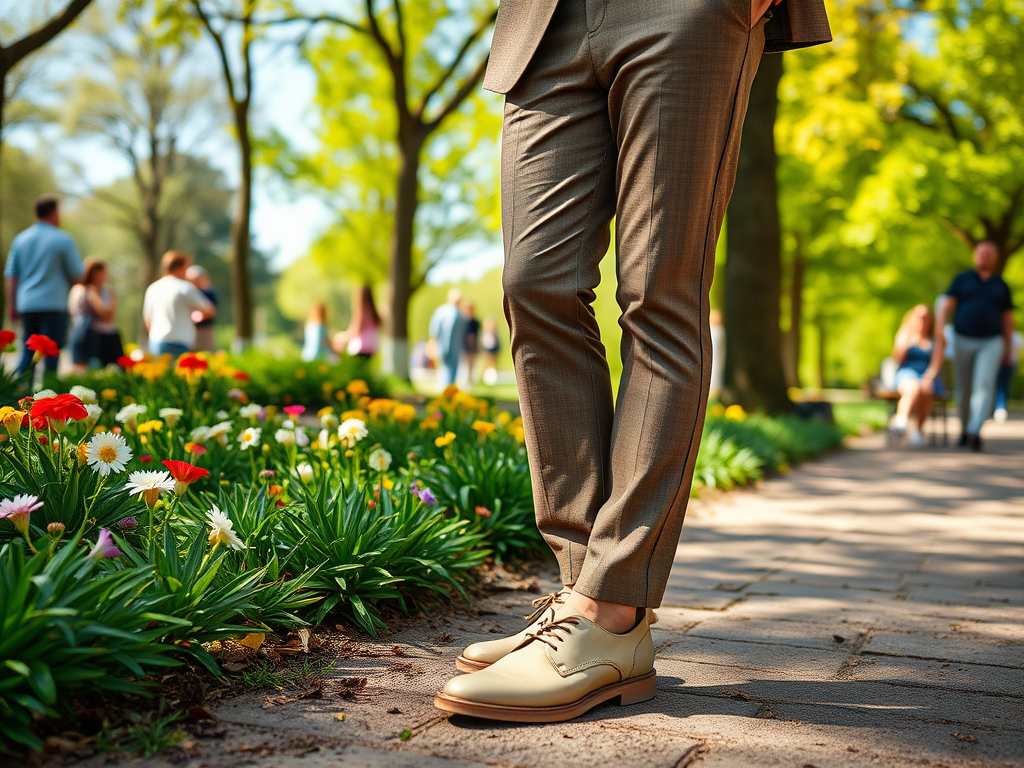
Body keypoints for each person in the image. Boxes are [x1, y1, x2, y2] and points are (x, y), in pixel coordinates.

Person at [433, 0, 831, 723]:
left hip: (686, 12)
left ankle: (609, 609)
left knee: (658, 293)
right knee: (535, 284)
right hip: (543, 21)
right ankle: (580, 589)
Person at [925, 241, 1015, 451]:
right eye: (981, 253)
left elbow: (1007, 318)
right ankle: (965, 428)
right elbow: (946, 303)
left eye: (988, 253)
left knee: (983, 385)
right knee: (963, 388)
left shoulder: (1000, 285)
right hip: (963, 339)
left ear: (995, 258)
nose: (984, 256)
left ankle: (975, 430)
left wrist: (1008, 347)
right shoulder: (962, 280)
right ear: (975, 257)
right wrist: (940, 330)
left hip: (992, 341)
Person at [4, 196, 84, 375]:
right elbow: (77, 275)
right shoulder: (63, 239)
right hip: (53, 305)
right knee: (51, 356)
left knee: (27, 353)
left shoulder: (21, 239)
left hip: (26, 305)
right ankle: (48, 397)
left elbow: (11, 275)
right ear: (54, 213)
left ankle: (21, 397)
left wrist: (12, 305)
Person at [143, 251, 215, 358]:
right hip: (179, 344)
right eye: (187, 267)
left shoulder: (152, 288)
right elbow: (210, 310)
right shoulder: (185, 288)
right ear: (180, 267)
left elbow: (147, 320)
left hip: (155, 343)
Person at [890, 304, 943, 447]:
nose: (922, 321)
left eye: (926, 318)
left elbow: (936, 364)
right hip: (907, 373)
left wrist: (929, 377)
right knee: (913, 388)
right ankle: (901, 420)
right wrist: (905, 342)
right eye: (919, 317)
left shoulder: (935, 339)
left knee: (926, 389)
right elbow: (896, 359)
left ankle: (917, 430)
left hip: (928, 374)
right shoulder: (905, 335)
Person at [68, 258, 122, 372]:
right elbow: (104, 313)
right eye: (100, 274)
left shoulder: (106, 291)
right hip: (87, 334)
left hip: (101, 335)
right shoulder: (84, 290)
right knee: (82, 368)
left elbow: (109, 315)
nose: (103, 277)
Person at [429, 288, 468, 388]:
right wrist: (433, 342)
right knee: (444, 367)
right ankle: (444, 388)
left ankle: (449, 388)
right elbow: (435, 329)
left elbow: (463, 333)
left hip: (455, 346)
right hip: (442, 345)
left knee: (452, 368)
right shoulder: (443, 312)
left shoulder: (459, 315)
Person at [332, 286, 380, 360]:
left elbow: (357, 329)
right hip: (371, 347)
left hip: (359, 347)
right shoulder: (373, 312)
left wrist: (344, 338)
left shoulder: (361, 311)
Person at [186, 264, 218, 352]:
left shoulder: (209, 293)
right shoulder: (189, 292)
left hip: (204, 330)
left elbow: (211, 312)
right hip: (190, 330)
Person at [993, 329, 1022, 423]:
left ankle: (1000, 407)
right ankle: (995, 407)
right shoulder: (995, 334)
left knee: (1002, 385)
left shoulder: (1016, 336)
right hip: (995, 364)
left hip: (1009, 365)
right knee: (996, 385)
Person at [461, 301, 480, 384]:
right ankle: (465, 381)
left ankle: (470, 381)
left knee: (472, 365)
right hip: (465, 346)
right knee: (464, 365)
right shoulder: (462, 322)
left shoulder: (475, 322)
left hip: (473, 346)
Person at [479, 317, 501, 386]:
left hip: (493, 350)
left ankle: (492, 379)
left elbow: (497, 343)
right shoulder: (485, 334)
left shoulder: (495, 334)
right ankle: (484, 378)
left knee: (493, 365)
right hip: (487, 350)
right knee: (486, 364)